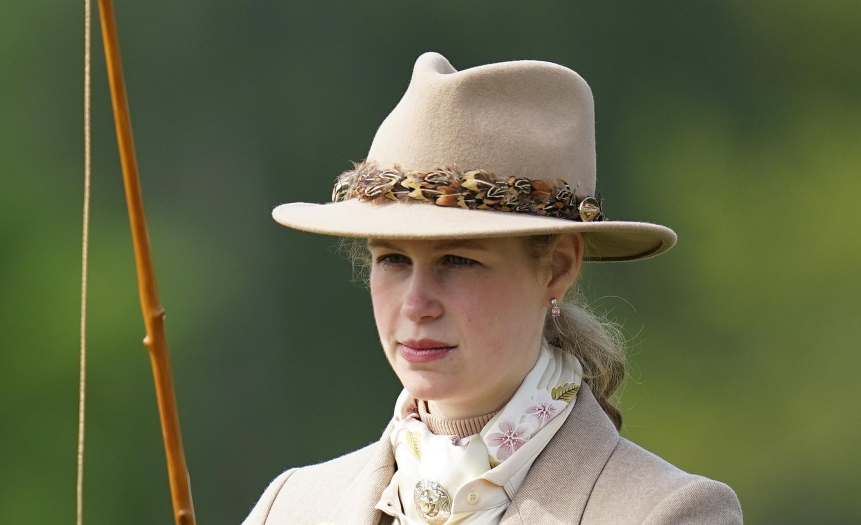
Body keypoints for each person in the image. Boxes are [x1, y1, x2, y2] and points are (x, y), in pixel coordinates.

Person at [245, 52, 743, 525]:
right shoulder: (292, 507)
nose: (416, 305)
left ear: (557, 267)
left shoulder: (667, 513)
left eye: (458, 260)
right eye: (393, 259)